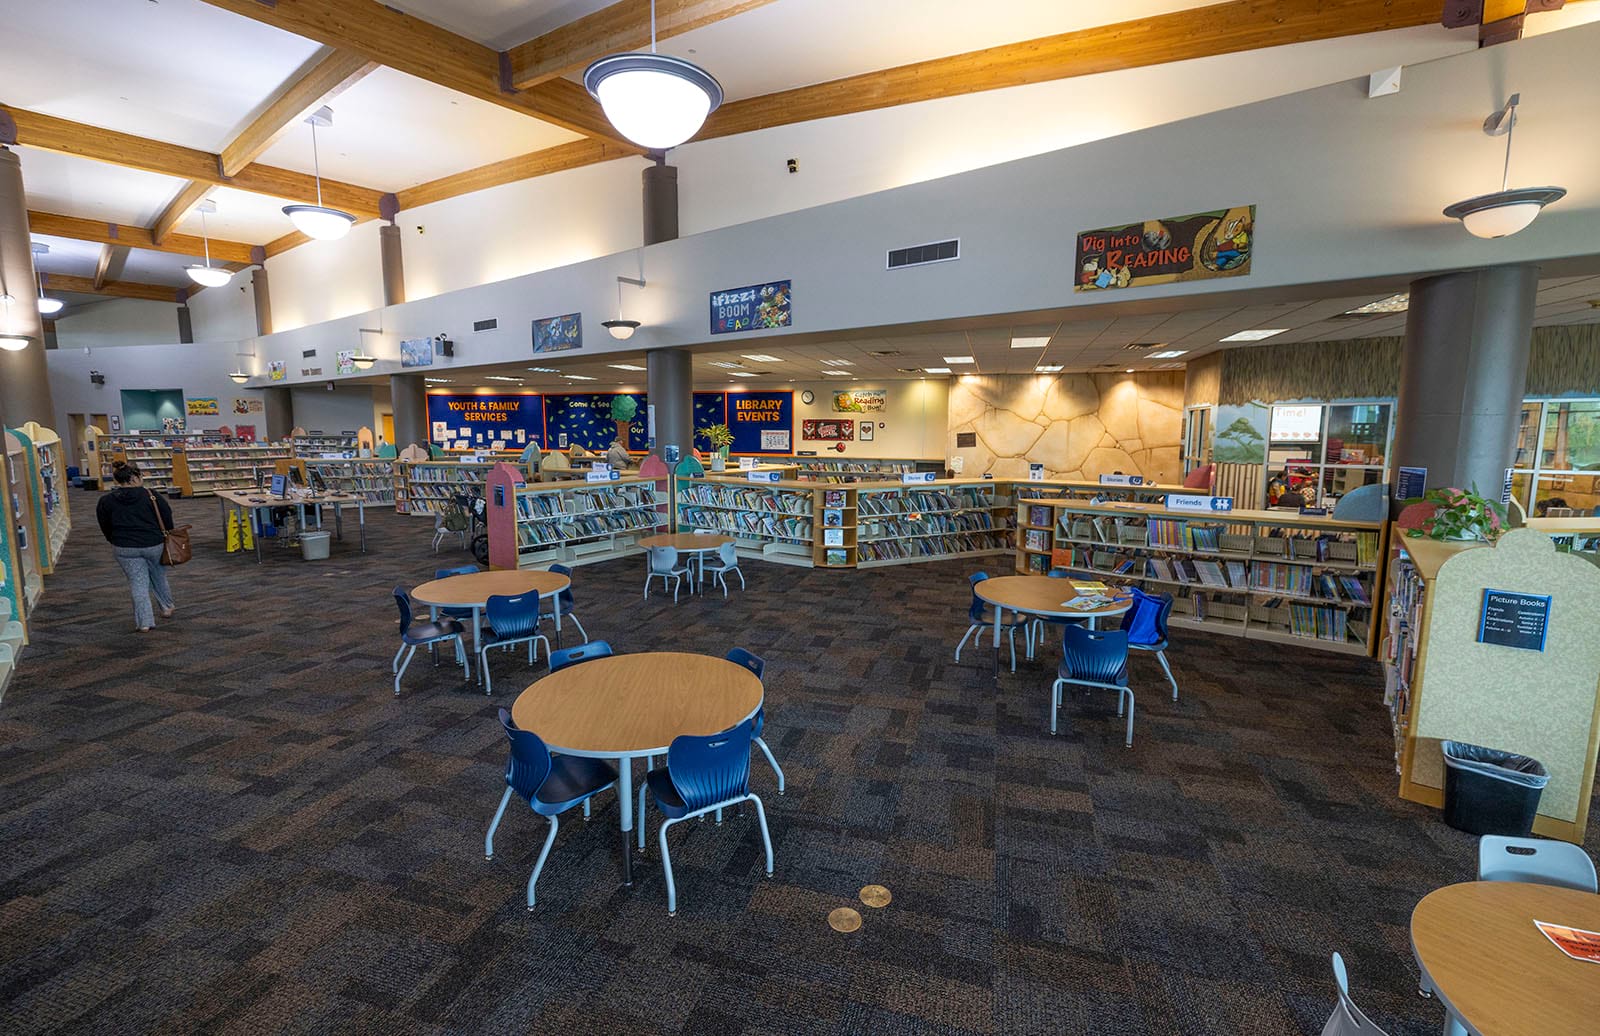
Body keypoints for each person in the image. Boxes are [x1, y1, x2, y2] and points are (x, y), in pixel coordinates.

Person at [95, 462, 177, 632]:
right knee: (159, 574)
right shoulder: (151, 495)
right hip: (153, 543)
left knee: (137, 583)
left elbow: (104, 524)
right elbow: (167, 516)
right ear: (134, 478)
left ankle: (144, 622)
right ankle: (167, 607)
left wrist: (113, 539)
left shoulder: (106, 500)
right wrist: (167, 533)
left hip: (124, 547)